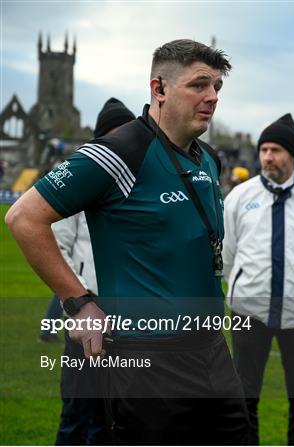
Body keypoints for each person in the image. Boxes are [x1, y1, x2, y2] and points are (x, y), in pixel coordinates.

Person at [6, 39, 248, 445]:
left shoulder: (206, 157)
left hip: (211, 348)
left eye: (217, 88)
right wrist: (78, 303)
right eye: (200, 85)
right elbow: (24, 218)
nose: (212, 97)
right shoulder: (118, 152)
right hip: (149, 359)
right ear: (159, 89)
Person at [223, 113, 294, 445]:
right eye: (263, 150)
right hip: (250, 313)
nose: (267, 157)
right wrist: (244, 287)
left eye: (275, 150)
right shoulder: (239, 198)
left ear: (293, 155)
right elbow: (228, 256)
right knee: (244, 399)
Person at [52, 97, 135, 445]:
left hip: (134, 313)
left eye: (127, 136)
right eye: (114, 137)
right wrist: (80, 301)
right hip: (90, 308)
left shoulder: (140, 180)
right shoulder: (77, 176)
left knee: (122, 411)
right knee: (79, 408)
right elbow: (57, 246)